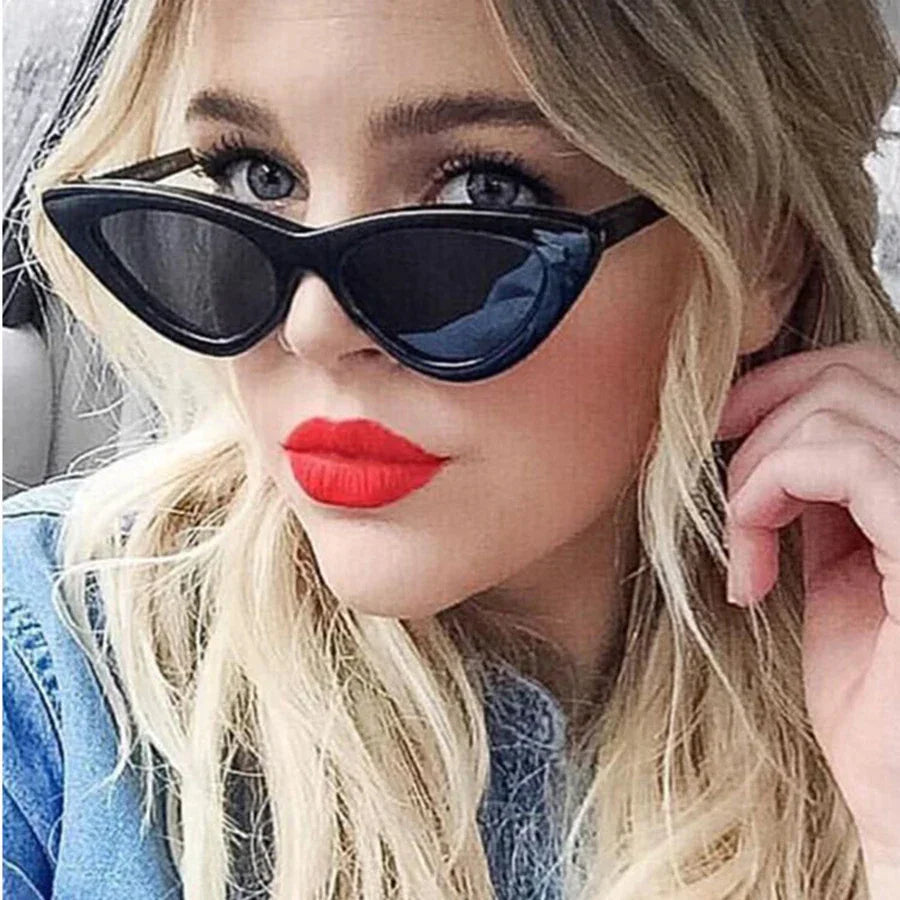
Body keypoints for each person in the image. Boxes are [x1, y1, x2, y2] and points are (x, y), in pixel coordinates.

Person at [4, 0, 900, 896]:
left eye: (484, 191)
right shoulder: (46, 675)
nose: (313, 328)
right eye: (256, 177)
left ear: (759, 257)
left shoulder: (875, 675)